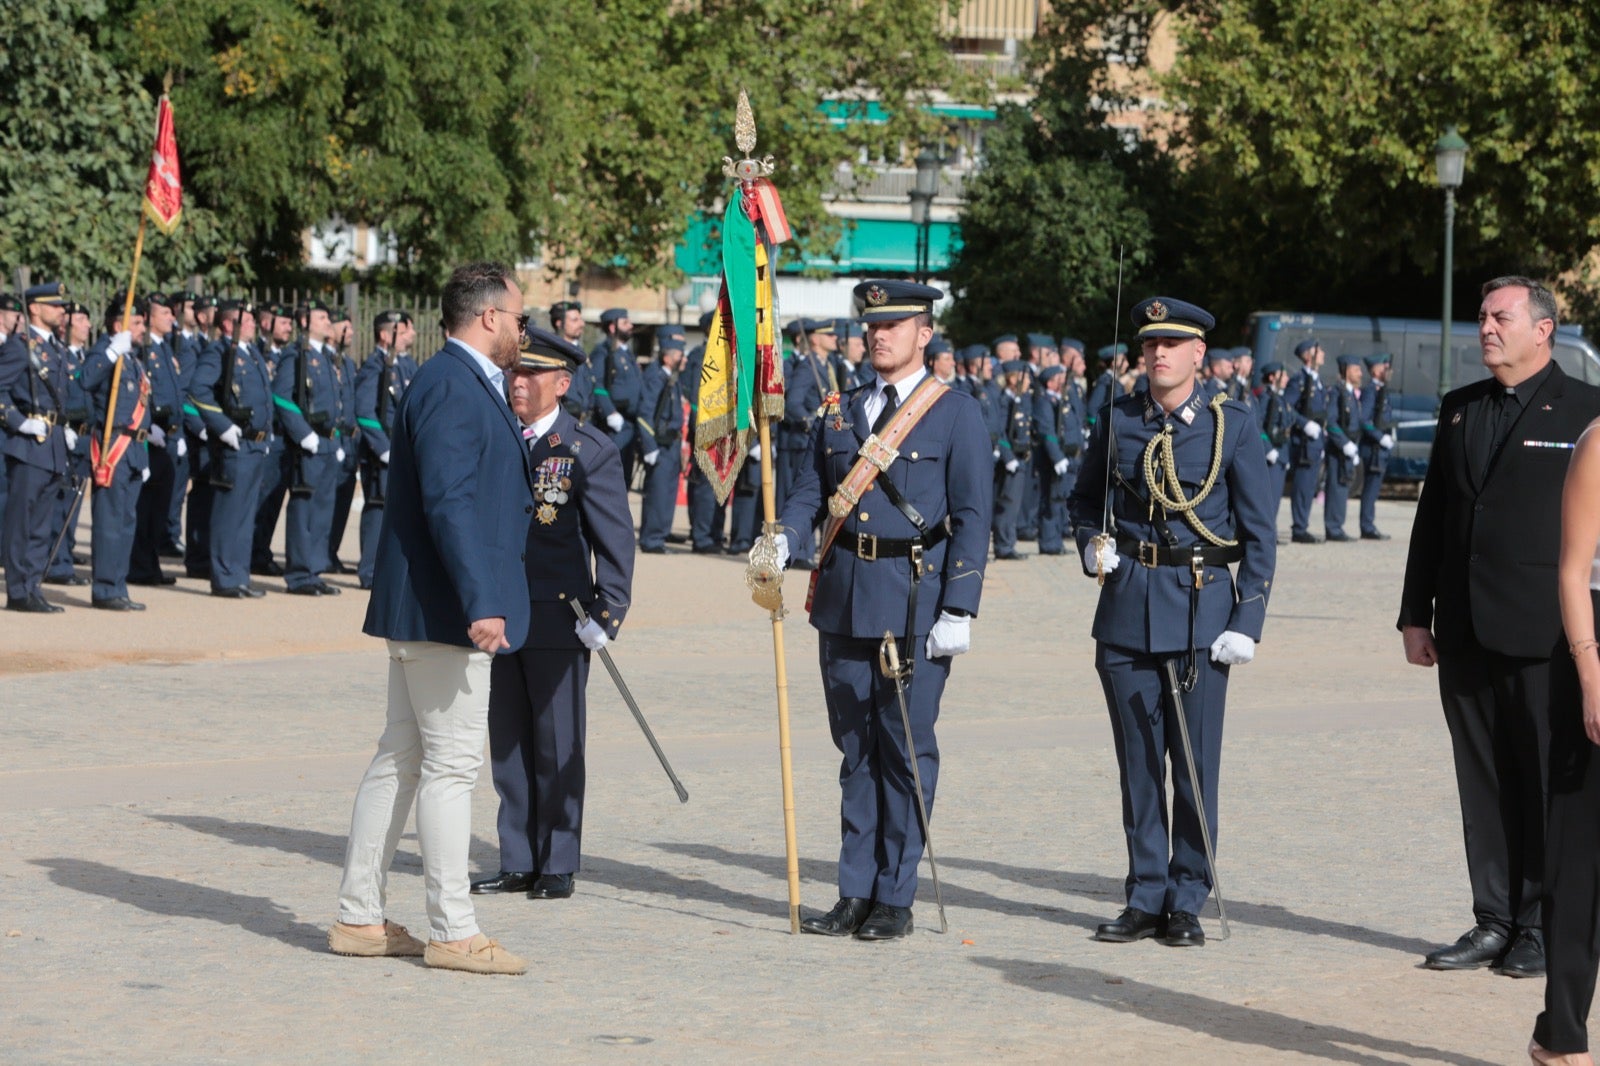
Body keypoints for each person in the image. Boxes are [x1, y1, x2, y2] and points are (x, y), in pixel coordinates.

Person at [758, 279, 992, 941]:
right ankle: (853, 890)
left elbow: (974, 518)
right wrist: (785, 537)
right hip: (844, 599)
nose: (879, 335)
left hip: (913, 601)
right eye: (872, 325)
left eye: (895, 325)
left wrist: (960, 606)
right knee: (856, 749)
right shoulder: (842, 410)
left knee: (905, 749)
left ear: (925, 332)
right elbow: (812, 491)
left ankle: (895, 894)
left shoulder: (954, 413)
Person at [333, 260, 534, 976]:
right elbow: (450, 502)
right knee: (451, 766)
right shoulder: (452, 384)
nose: (522, 329)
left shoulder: (455, 381)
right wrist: (483, 600)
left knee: (404, 757)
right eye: (518, 317)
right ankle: (453, 929)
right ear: (488, 317)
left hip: (430, 602)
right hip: (447, 606)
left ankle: (359, 914)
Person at [1399, 276, 1600, 980]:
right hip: (1463, 629)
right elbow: (1434, 521)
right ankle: (1494, 919)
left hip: (1547, 630)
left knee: (1548, 782)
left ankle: (1545, 925)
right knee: (1481, 782)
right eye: (1482, 316)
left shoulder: (1588, 411)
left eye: (1500, 316)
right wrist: (1412, 614)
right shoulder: (1459, 410)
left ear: (1543, 329)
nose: (1485, 327)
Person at [1067, 295, 1276, 947]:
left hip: (1199, 612)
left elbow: (1263, 535)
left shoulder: (1230, 425)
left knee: (1192, 765)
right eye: (1149, 343)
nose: (1157, 353)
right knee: (1137, 768)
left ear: (1197, 355)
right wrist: (1088, 544)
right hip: (1127, 608)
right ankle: (1145, 893)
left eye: (1171, 344)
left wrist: (1248, 617)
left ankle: (1186, 897)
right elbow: (1082, 500)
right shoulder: (1118, 418)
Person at [472, 326, 635, 902]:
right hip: (501, 616)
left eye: (531, 375)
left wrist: (607, 610)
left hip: (560, 615)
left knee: (557, 741)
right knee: (509, 740)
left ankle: (558, 859)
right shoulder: (498, 438)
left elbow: (614, 539)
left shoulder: (585, 450)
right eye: (515, 372)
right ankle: (517, 856)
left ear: (561, 383)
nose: (518, 383)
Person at [1534, 407, 1600, 1064]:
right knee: (1582, 854)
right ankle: (1563, 1036)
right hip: (1596, 644)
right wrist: (1591, 676)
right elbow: (1572, 571)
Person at [189, 299, 275, 598]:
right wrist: (222, 426)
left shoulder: (250, 353)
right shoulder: (220, 350)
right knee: (229, 513)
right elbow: (198, 390)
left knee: (244, 514)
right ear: (228, 324)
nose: (253, 323)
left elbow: (264, 397)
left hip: (255, 443)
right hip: (235, 444)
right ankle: (225, 577)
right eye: (247, 320)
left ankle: (239, 575)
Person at [0, 283, 75, 613]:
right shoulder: (19, 347)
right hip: (28, 444)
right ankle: (18, 590)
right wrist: (19, 422)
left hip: (52, 444)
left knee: (42, 524)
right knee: (22, 521)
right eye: (54, 305)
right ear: (34, 309)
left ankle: (32, 586)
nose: (61, 310)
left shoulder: (55, 348)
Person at [81, 301, 153, 611]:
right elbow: (86, 380)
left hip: (134, 449)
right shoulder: (105, 352)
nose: (142, 329)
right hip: (113, 447)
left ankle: (118, 585)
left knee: (126, 521)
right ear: (117, 326)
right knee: (110, 521)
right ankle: (105, 589)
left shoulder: (133, 359)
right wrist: (111, 351)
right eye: (135, 323)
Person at [272, 301, 346, 596]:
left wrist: (336, 439)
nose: (328, 321)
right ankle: (300, 574)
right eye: (322, 317)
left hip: (329, 442)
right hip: (310, 442)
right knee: (304, 509)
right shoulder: (297, 355)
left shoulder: (325, 357)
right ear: (306, 322)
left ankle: (314, 570)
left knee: (322, 510)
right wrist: (303, 434)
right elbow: (281, 397)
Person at [353, 311, 419, 590]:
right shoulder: (375, 366)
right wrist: (382, 448)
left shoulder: (405, 365)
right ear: (385, 334)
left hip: (402, 449)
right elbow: (365, 411)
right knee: (378, 509)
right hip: (382, 452)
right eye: (404, 330)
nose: (411, 335)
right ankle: (370, 571)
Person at [636, 325, 686, 553]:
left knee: (667, 492)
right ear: (667, 357)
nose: (682, 359)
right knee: (657, 493)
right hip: (660, 445)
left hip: (671, 444)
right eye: (678, 355)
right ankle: (652, 538)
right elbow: (645, 413)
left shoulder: (671, 379)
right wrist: (649, 446)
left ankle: (660, 535)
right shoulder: (656, 377)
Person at [590, 308, 643, 485]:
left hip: (630, 423)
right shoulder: (603, 351)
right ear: (613, 327)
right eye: (625, 323)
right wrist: (610, 412)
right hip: (615, 425)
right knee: (611, 477)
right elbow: (597, 384)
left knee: (625, 477)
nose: (631, 326)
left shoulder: (627, 353)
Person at [1284, 339, 1328, 544]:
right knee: (1302, 486)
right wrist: (1304, 424)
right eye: (1319, 351)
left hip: (1315, 442)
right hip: (1304, 442)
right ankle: (1299, 528)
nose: (1323, 354)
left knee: (1310, 486)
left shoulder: (1316, 380)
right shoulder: (1299, 380)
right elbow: (1287, 408)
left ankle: (1303, 525)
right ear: (1309, 355)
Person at [1321, 354, 1364, 542]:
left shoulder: (1350, 393)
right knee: (1336, 487)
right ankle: (1333, 527)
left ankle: (1337, 525)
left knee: (1343, 486)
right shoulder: (1337, 392)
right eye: (1356, 370)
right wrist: (1344, 443)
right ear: (1346, 370)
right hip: (1339, 448)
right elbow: (1330, 422)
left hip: (1349, 446)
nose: (1360, 373)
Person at [1357, 353, 1396, 540]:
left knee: (1374, 488)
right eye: (1384, 366)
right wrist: (1380, 437)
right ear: (1374, 370)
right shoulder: (1371, 391)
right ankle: (1367, 526)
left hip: (1379, 448)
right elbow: (1364, 420)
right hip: (1372, 448)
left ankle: (1368, 524)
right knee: (1370, 488)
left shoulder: (1382, 390)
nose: (1388, 369)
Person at [1255, 361, 1295, 527]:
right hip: (1272, 455)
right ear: (1272, 377)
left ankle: (1270, 529)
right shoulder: (1266, 398)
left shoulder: (1279, 398)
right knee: (1268, 499)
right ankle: (1266, 530)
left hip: (1281, 453)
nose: (1286, 378)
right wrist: (1268, 449)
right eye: (1282, 375)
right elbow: (1259, 426)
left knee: (1275, 498)